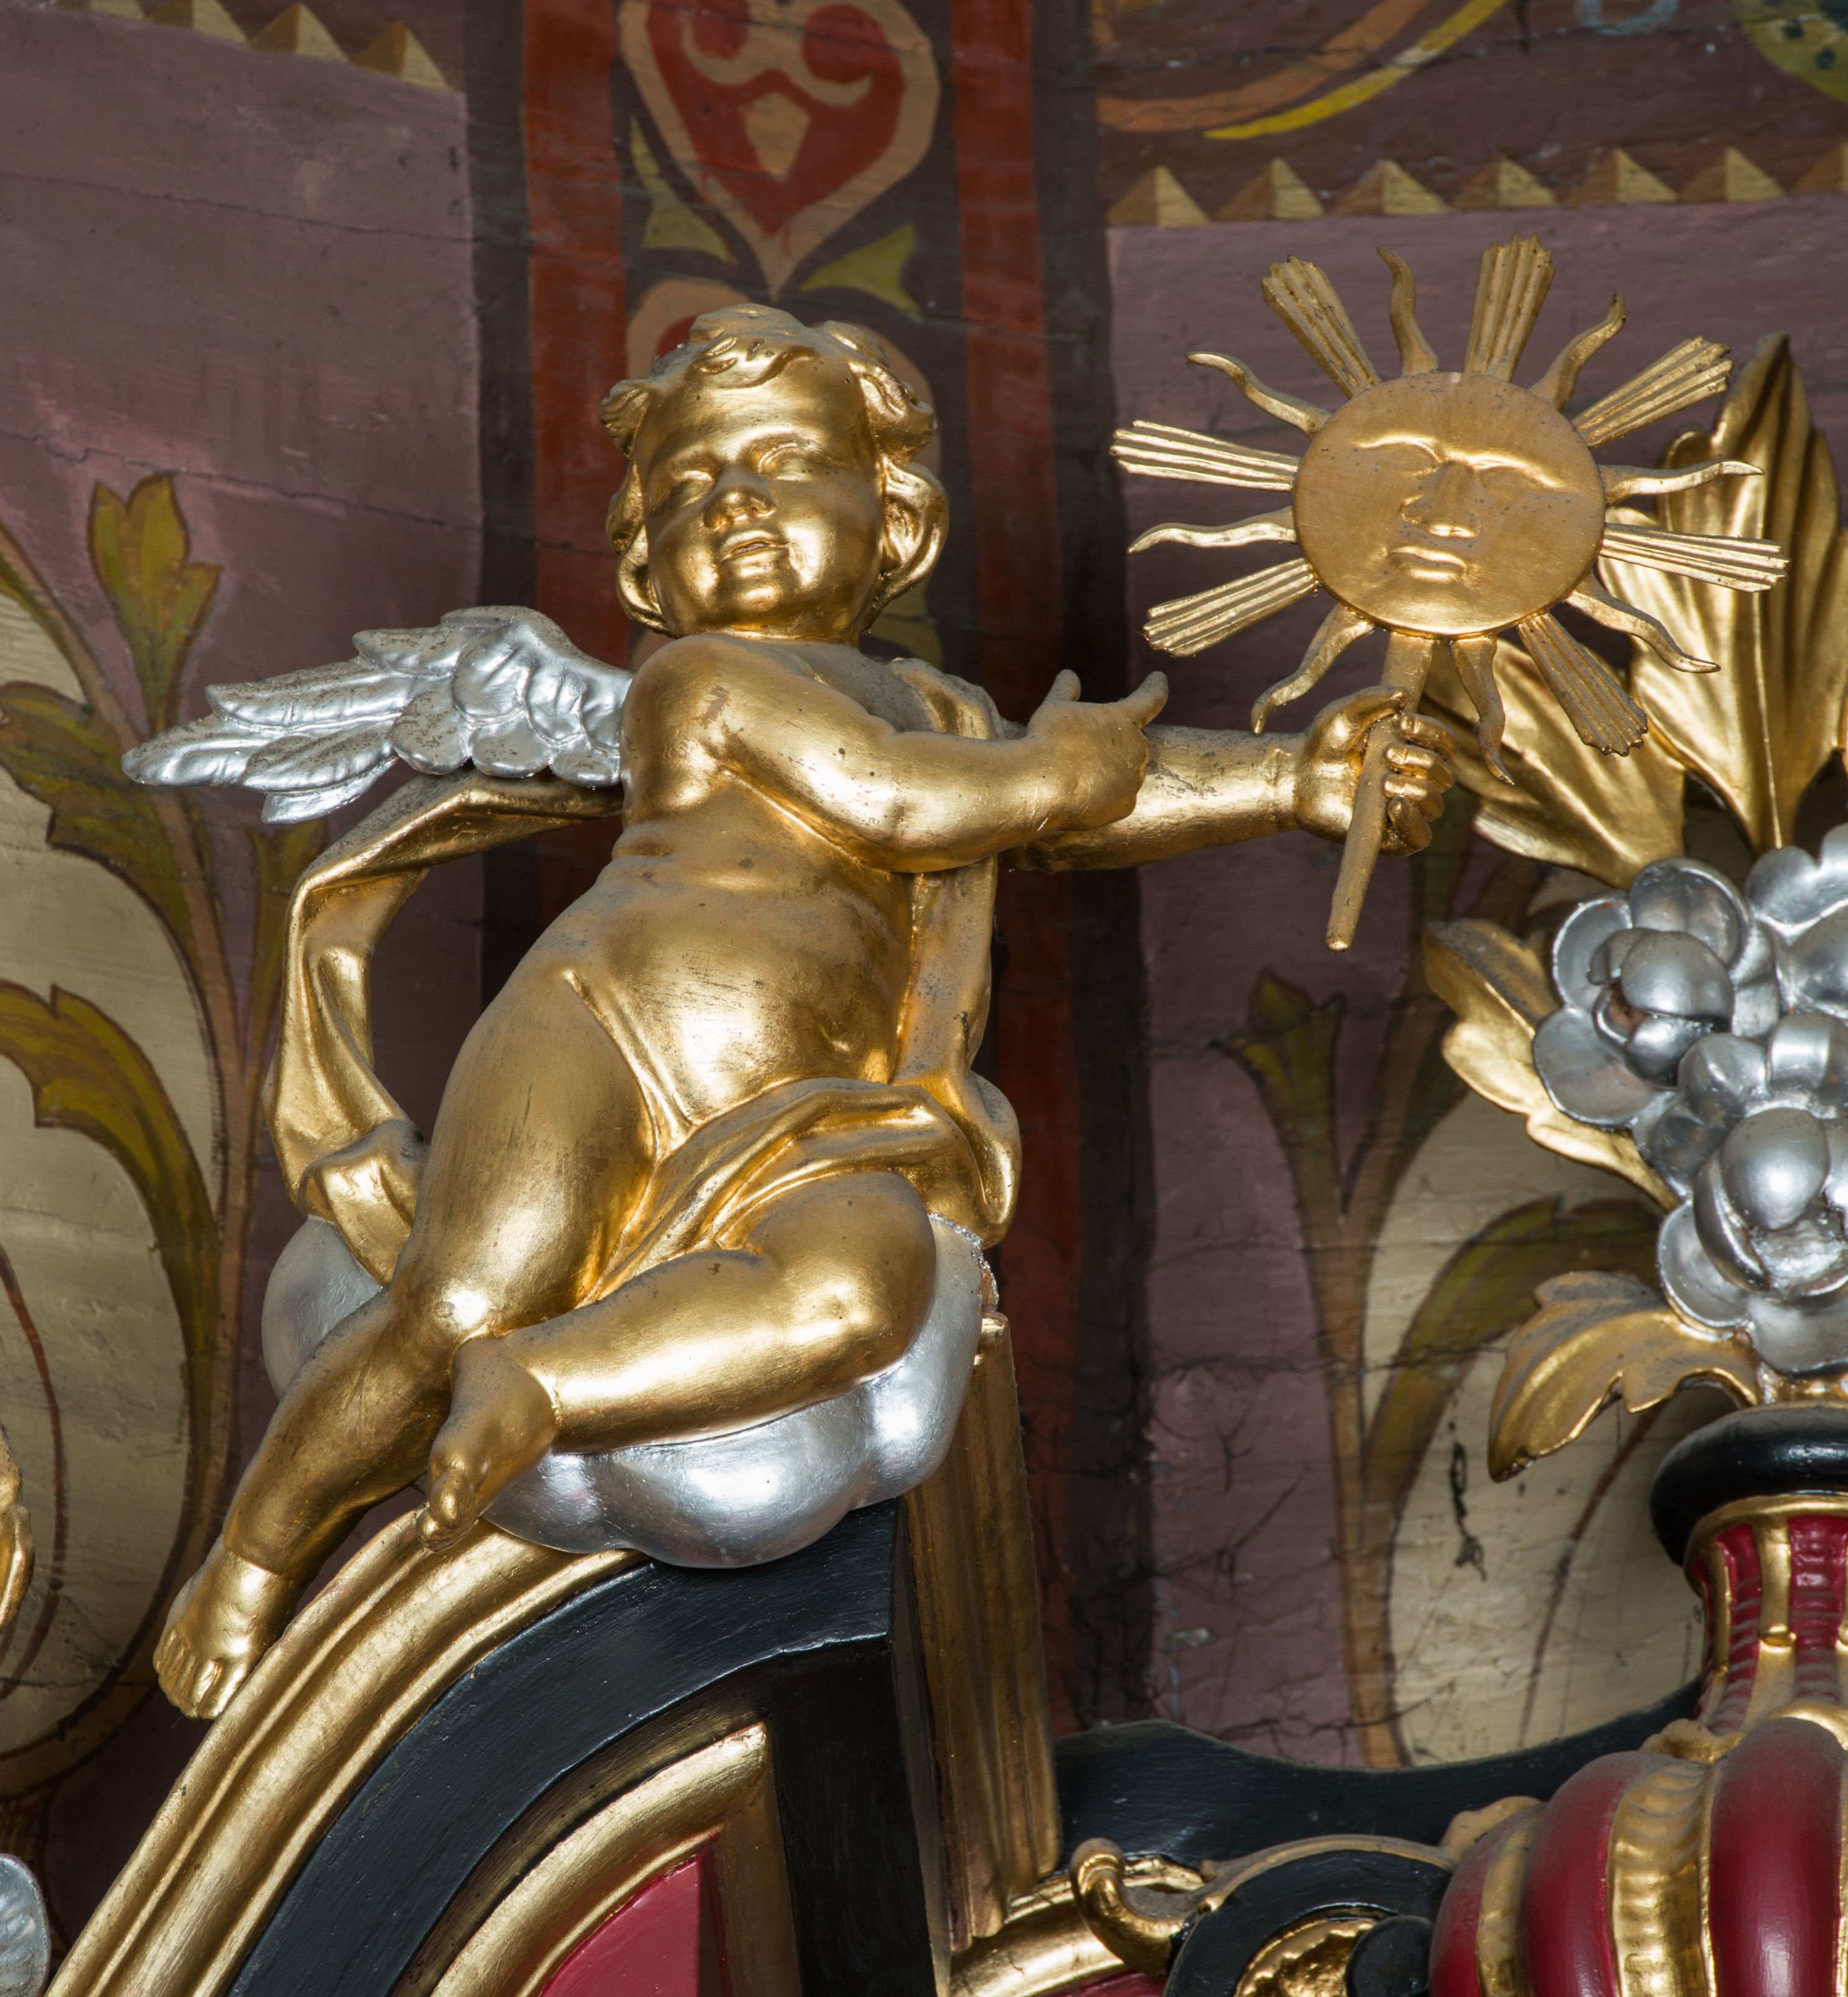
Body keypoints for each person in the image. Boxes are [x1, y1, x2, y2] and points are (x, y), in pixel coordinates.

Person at [154, 305, 1451, 1718]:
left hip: (818, 1115)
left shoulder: (944, 715)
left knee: (856, 1296)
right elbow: (894, 802)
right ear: (649, 564)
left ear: (894, 520)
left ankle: (546, 1385)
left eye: (785, 464)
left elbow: (1073, 809)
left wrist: (1298, 782)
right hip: (604, 1033)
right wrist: (1058, 774)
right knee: (459, 1292)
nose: (737, 503)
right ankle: (256, 1552)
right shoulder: (705, 678)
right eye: (693, 485)